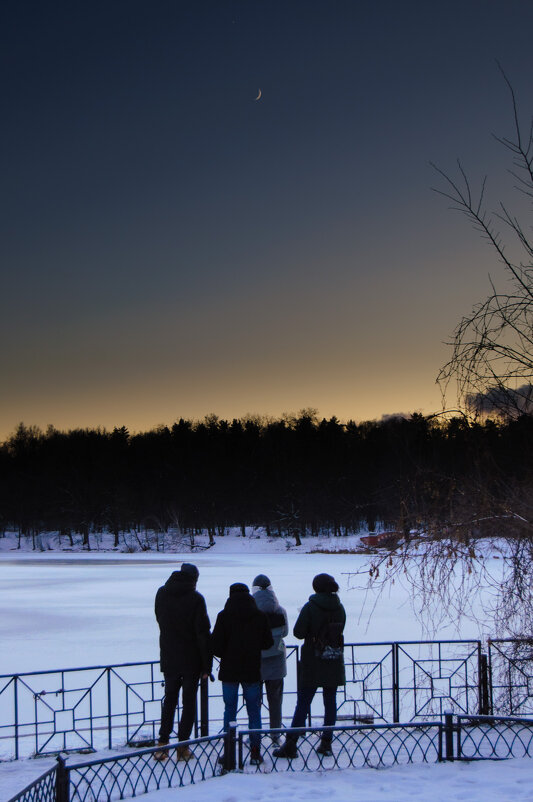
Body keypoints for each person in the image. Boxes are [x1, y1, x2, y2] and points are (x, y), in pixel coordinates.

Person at [274, 573, 346, 759]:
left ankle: (291, 744)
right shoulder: (340, 608)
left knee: (304, 702)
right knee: (330, 702)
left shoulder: (310, 607)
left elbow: (298, 633)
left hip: (313, 660)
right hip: (333, 658)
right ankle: (326, 742)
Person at [154, 563, 212, 761]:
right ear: (194, 579)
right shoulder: (196, 599)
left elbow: (160, 620)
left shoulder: (162, 593)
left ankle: (162, 745)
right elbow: (202, 633)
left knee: (169, 700)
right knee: (188, 702)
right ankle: (183, 747)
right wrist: (207, 665)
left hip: (169, 656)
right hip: (191, 659)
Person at [212, 582, 273, 765]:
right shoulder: (259, 616)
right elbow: (268, 643)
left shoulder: (224, 616)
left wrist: (228, 652)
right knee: (254, 711)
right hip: (252, 670)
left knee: (229, 710)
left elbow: (216, 646)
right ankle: (255, 751)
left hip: (229, 671)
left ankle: (229, 751)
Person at [251, 574, 288, 742]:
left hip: (255, 663)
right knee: (275, 702)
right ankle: (275, 734)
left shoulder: (250, 611)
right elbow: (285, 632)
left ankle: (255, 735)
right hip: (277, 663)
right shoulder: (280, 610)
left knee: (254, 701)